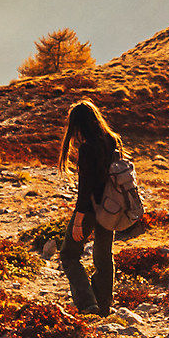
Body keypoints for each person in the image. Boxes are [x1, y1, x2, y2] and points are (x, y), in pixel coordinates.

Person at [53, 99, 122, 315]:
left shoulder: (87, 148)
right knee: (104, 256)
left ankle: (87, 303)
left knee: (69, 254)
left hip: (90, 209)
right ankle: (103, 305)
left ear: (78, 124)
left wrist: (79, 219)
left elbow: (86, 189)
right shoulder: (112, 140)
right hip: (112, 207)